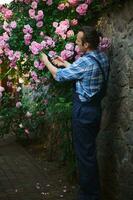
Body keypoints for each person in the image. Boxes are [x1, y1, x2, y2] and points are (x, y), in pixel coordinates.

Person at [40, 26, 109, 200]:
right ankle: (91, 192)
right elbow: (85, 74)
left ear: (86, 45)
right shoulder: (101, 57)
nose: (76, 43)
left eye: (78, 41)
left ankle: (89, 195)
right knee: (89, 152)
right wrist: (65, 64)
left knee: (84, 156)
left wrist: (46, 61)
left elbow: (59, 76)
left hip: (83, 112)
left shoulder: (85, 61)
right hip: (95, 110)